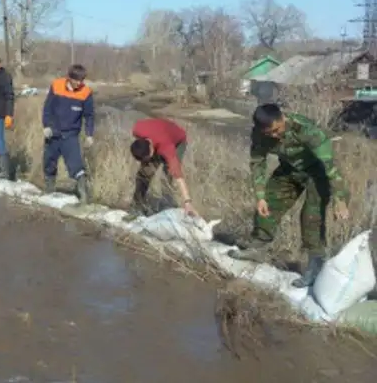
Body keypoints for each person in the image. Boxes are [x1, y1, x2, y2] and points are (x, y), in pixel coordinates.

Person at [228, 103, 350, 288]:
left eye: (277, 130)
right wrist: (260, 196)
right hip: (289, 169)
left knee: (311, 218)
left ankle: (315, 265)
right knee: (268, 203)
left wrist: (339, 198)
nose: (275, 136)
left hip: (317, 173)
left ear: (282, 118)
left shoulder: (307, 130)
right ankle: (257, 247)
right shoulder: (260, 134)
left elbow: (330, 168)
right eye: (269, 133)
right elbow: (258, 162)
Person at [42, 64, 94, 203]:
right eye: (76, 80)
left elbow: (89, 115)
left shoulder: (86, 92)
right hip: (53, 132)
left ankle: (83, 195)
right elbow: (47, 109)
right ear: (69, 78)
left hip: (71, 134)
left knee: (76, 164)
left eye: (82, 80)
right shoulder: (56, 86)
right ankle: (49, 189)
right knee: (49, 161)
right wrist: (46, 126)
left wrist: (89, 134)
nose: (79, 83)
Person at [129, 117, 198, 217]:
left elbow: (179, 177)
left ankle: (166, 205)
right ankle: (137, 205)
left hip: (178, 141)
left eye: (148, 158)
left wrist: (188, 202)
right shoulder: (137, 130)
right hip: (159, 132)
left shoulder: (167, 147)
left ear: (151, 148)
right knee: (144, 173)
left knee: (167, 175)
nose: (147, 161)